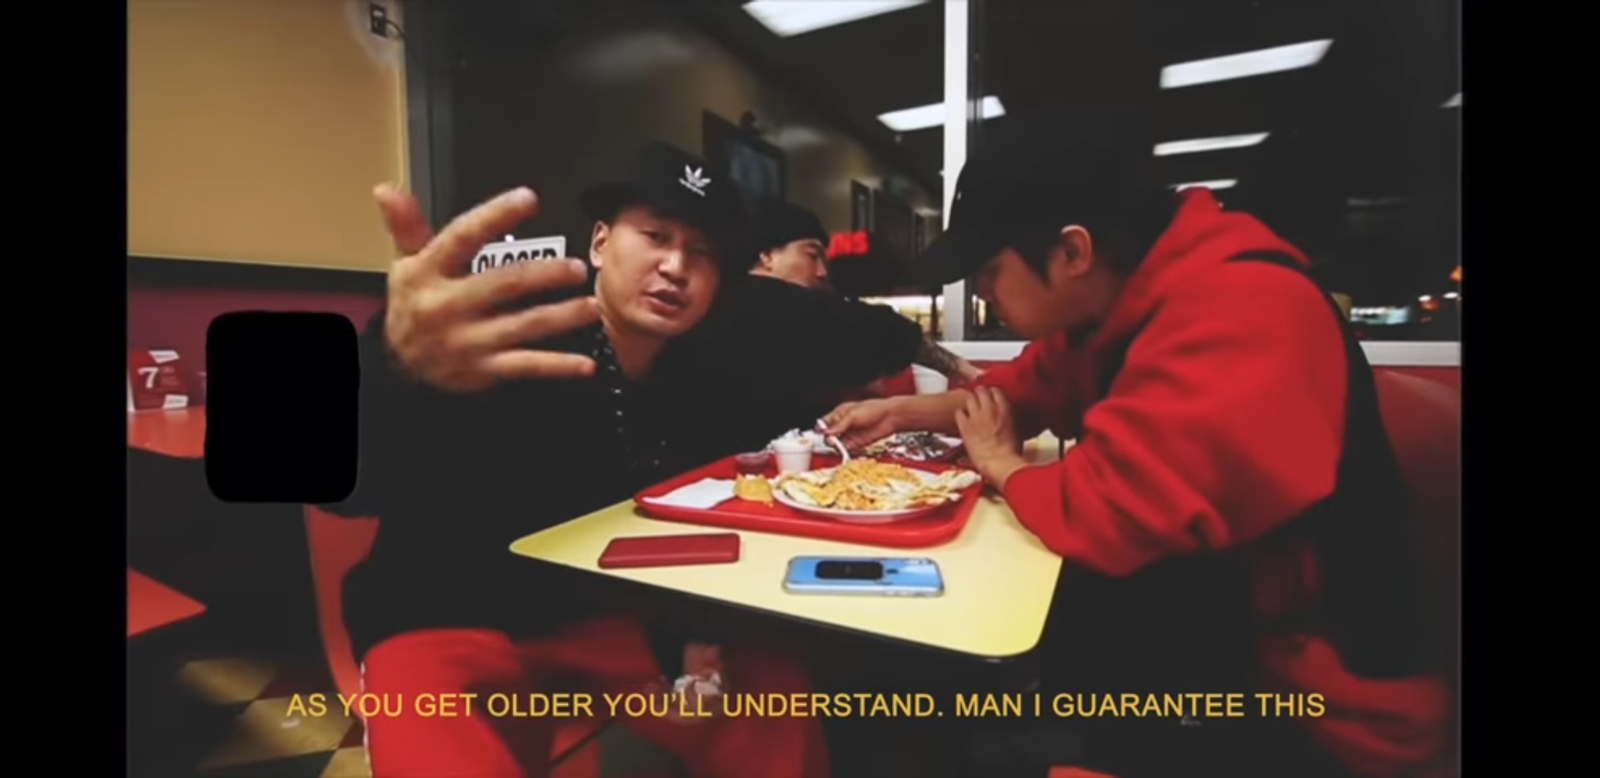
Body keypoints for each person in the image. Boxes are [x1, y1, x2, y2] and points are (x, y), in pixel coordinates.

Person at [824, 115, 1449, 777]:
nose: (979, 292)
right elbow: (1023, 392)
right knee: (927, 692)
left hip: (1310, 704)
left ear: (1073, 252)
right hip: (1206, 636)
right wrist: (899, 412)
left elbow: (1106, 512)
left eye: (987, 271)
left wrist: (1002, 464)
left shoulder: (1242, 309)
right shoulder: (1123, 304)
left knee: (934, 721)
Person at [333, 142, 827, 777]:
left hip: (613, 619)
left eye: (701, 252)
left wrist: (699, 626)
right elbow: (351, 488)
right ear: (599, 243)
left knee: (771, 689)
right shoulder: (501, 338)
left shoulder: (711, 372)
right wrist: (395, 363)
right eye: (655, 236)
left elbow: (717, 522)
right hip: (448, 617)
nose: (676, 265)